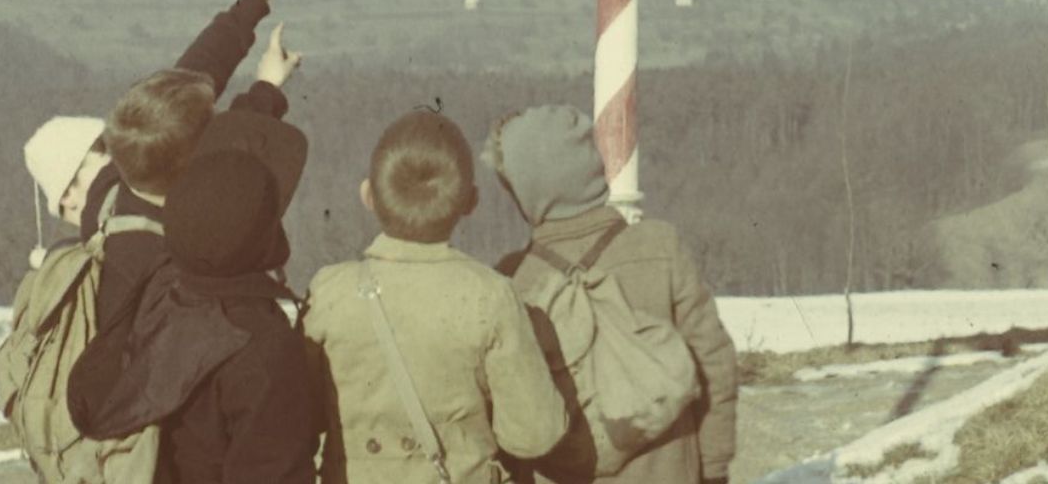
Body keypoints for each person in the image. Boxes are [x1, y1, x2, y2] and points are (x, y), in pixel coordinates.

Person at [75, 0, 316, 330]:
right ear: (197, 158)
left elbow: (190, 79)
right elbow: (234, 150)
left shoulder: (110, 189)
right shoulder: (200, 243)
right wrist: (269, 90)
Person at [302, 110, 568, 484]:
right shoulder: (490, 295)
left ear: (368, 196)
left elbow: (301, 417)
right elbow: (534, 434)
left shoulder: (329, 290)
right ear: (471, 202)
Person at [484, 105, 739, 484]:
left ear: (522, 191)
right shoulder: (659, 245)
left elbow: (509, 420)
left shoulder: (511, 279)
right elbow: (715, 365)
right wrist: (714, 471)